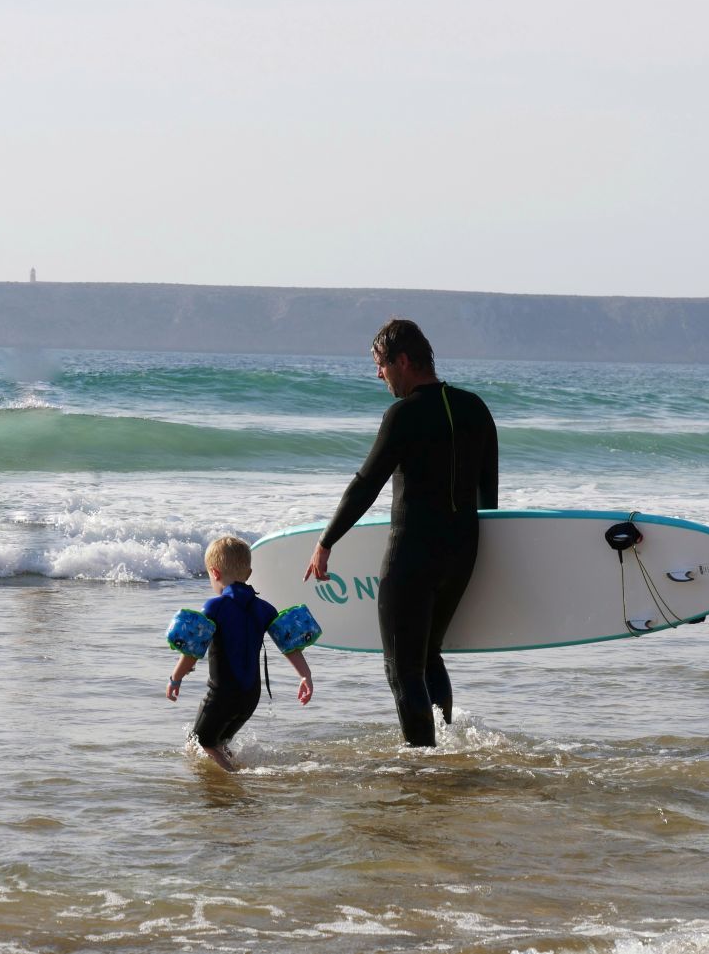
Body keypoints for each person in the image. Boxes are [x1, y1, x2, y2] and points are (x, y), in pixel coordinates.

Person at [304, 319, 498, 747]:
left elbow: (365, 484)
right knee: (428, 656)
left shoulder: (403, 414)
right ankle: (445, 747)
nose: (378, 375)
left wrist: (326, 542)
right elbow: (489, 496)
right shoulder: (476, 408)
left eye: (380, 365)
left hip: (413, 553)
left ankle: (421, 766)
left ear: (403, 361)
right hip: (463, 551)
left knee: (401, 667)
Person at [168, 536, 314, 771]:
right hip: (250, 697)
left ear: (214, 573)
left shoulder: (214, 607)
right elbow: (289, 645)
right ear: (248, 573)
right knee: (219, 742)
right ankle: (240, 771)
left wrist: (175, 678)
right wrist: (305, 676)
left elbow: (192, 651)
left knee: (200, 742)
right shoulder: (265, 609)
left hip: (222, 695)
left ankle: (237, 779)